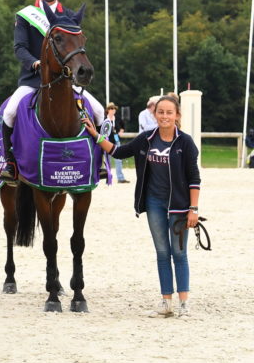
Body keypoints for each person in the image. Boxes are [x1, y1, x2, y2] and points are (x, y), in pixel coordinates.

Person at [84, 95, 200, 318]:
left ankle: (184, 303)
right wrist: (96, 135)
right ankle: (167, 302)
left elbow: (194, 178)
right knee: (162, 252)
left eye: (169, 112)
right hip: (154, 204)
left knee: (179, 253)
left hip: (179, 206)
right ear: (154, 114)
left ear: (177, 115)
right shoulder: (145, 139)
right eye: (161, 112)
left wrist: (193, 209)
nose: (165, 116)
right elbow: (118, 152)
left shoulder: (185, 142)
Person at [0, 0, 103, 182]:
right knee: (9, 112)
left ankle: (99, 160)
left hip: (65, 79)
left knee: (99, 111)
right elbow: (20, 48)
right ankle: (10, 162)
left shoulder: (70, 16)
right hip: (33, 78)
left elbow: (76, 47)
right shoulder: (25, 16)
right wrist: (35, 63)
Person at [105, 103, 129, 183]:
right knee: (107, 160)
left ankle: (120, 178)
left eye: (114, 109)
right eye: (111, 109)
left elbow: (122, 126)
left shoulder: (118, 119)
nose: (113, 110)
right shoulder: (104, 119)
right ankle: (108, 178)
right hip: (107, 141)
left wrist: (122, 130)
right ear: (108, 110)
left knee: (118, 160)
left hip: (116, 140)